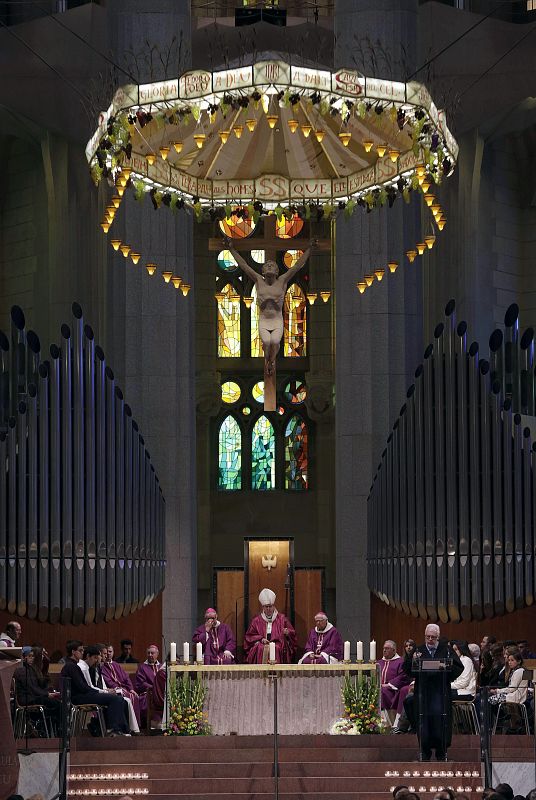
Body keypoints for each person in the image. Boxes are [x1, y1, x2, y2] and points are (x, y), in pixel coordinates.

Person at [225, 237, 316, 375]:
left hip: (277, 320)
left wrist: (309, 249)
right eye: (267, 265)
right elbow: (243, 265)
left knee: (274, 341)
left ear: (277, 271)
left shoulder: (283, 281)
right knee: (267, 342)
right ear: (262, 271)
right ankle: (269, 361)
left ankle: (271, 361)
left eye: (272, 265)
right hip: (264, 320)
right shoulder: (258, 280)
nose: (269, 266)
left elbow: (297, 266)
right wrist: (231, 249)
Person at [403, 623, 463, 761]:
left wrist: (446, 670)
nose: (430, 640)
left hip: (440, 692)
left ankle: (442, 753)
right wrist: (412, 661)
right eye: (427, 637)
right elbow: (406, 668)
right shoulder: (418, 649)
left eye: (433, 637)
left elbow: (459, 667)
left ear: (438, 637)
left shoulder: (446, 650)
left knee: (440, 721)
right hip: (423, 693)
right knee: (423, 722)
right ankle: (424, 753)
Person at [60, 641, 129, 736]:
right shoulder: (71, 666)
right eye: (80, 650)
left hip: (84, 695)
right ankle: (113, 730)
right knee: (115, 699)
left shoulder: (74, 666)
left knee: (119, 699)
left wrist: (100, 692)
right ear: (73, 652)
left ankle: (122, 729)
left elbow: (85, 687)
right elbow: (83, 687)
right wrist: (100, 692)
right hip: (78, 697)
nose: (82, 652)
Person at [243, 588, 296, 664]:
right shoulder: (256, 620)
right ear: (263, 607)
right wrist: (261, 639)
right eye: (266, 607)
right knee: (261, 648)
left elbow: (292, 634)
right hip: (261, 644)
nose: (268, 609)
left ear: (273, 606)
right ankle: (261, 674)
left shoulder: (282, 618)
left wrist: (288, 632)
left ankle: (277, 673)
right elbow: (249, 636)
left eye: (270, 606)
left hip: (278, 644)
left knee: (276, 648)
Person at [13, 646, 61, 730]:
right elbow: (32, 688)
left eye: (33, 656)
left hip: (33, 696)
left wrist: (48, 693)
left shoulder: (31, 669)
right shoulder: (22, 670)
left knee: (57, 702)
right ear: (24, 658)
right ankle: (58, 730)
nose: (32, 658)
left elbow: (37, 687)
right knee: (55, 704)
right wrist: (47, 694)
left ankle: (51, 729)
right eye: (30, 656)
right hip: (27, 699)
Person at [100, 644, 141, 726]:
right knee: (126, 697)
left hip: (124, 689)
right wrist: (119, 688)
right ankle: (125, 726)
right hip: (113, 689)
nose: (108, 654)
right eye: (107, 652)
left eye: (110, 652)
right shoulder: (102, 666)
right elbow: (107, 680)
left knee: (134, 696)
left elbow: (126, 678)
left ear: (113, 653)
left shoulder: (116, 664)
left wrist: (131, 689)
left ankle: (135, 726)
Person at [489, 648, 529, 733]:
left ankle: (503, 719)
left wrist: (497, 691)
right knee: (491, 698)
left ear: (519, 661)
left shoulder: (519, 671)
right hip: (517, 695)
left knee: (490, 699)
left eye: (512, 660)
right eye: (509, 660)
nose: (509, 662)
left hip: (516, 696)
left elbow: (512, 688)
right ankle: (506, 719)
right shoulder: (521, 670)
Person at [377, 639, 412, 716]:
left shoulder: (401, 662)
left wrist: (389, 685)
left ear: (394, 650)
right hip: (380, 688)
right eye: (384, 648)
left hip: (393, 691)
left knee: (382, 691)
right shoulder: (379, 663)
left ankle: (385, 721)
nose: (384, 650)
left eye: (387, 648)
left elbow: (403, 676)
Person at [134, 644, 162, 726]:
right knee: (149, 699)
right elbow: (141, 683)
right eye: (148, 653)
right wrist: (154, 688)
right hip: (148, 693)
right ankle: (154, 722)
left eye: (152, 653)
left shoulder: (161, 667)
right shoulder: (142, 667)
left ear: (157, 654)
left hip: (160, 693)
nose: (150, 655)